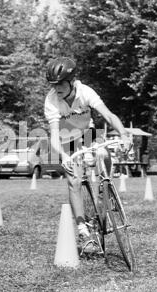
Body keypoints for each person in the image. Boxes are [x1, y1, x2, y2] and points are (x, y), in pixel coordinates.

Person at [44, 57, 133, 252]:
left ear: (72, 80)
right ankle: (84, 231)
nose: (56, 88)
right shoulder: (51, 101)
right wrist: (65, 156)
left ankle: (105, 189)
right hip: (66, 139)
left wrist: (124, 135)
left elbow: (108, 115)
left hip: (87, 132)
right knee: (74, 180)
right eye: (53, 84)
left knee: (103, 152)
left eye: (60, 83)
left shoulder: (85, 92)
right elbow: (54, 138)